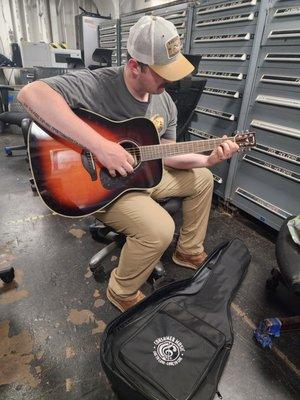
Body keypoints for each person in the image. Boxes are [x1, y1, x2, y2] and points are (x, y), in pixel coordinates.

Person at [18, 15, 239, 312]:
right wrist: (100, 147)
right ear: (135, 66)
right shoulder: (98, 84)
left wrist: (208, 159)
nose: (171, 81)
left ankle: (188, 251)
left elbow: (167, 152)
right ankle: (122, 290)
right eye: (162, 73)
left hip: (144, 174)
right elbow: (30, 95)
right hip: (102, 184)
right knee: (159, 228)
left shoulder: (165, 101)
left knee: (203, 178)